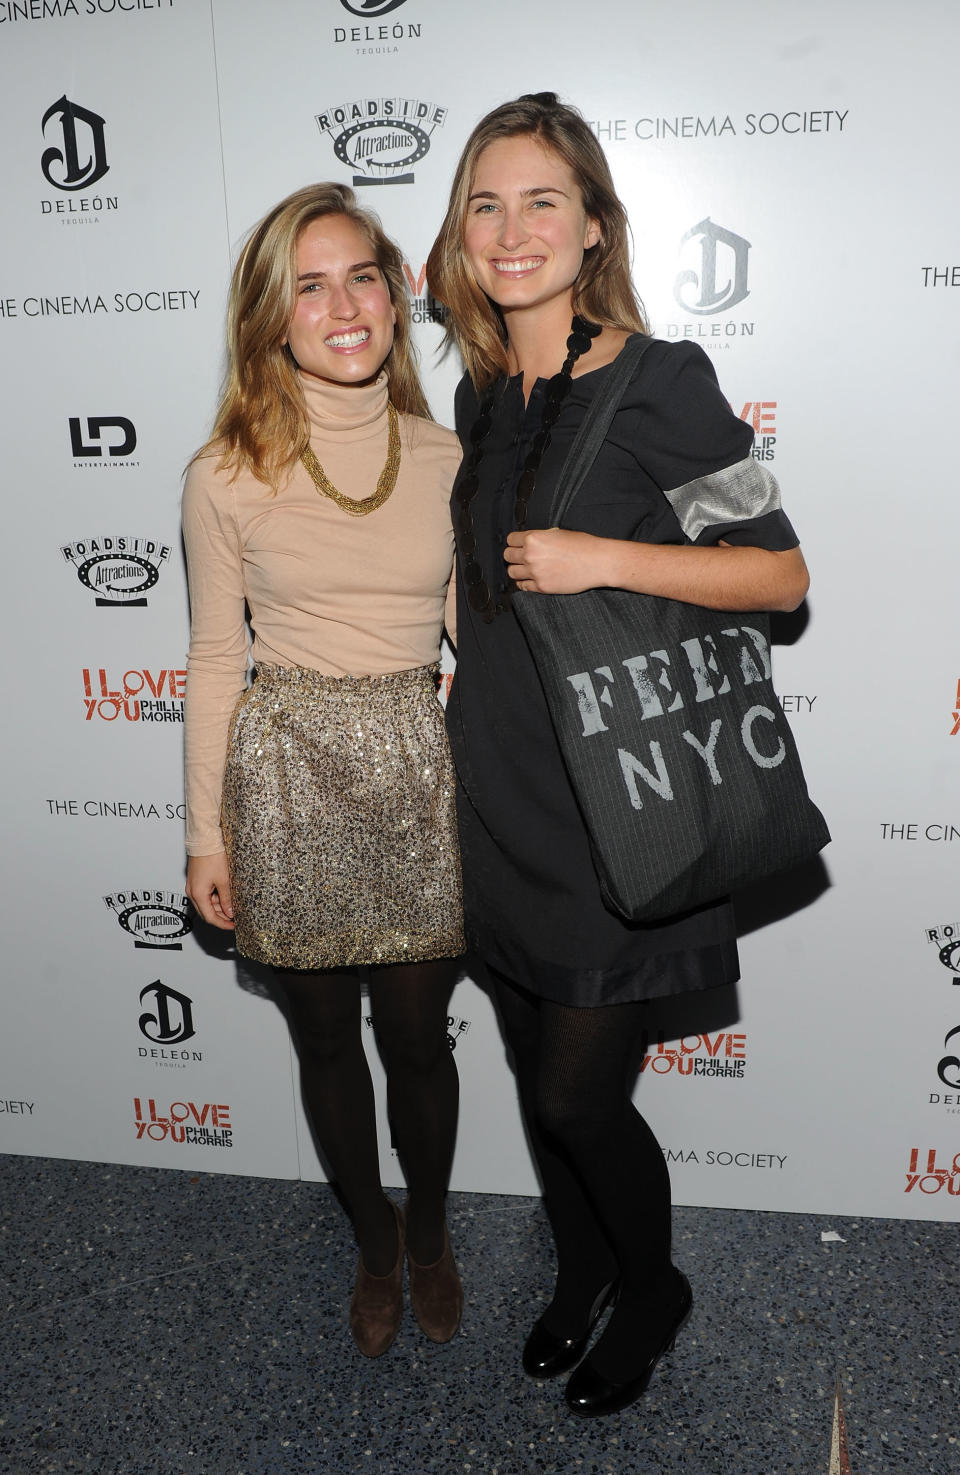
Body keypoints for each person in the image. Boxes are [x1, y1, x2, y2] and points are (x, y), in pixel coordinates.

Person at [426, 94, 809, 1417]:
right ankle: (583, 1263)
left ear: (593, 228)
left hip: (619, 807)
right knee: (540, 1078)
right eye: (487, 201)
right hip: (500, 794)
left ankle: (649, 1284)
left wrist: (605, 557)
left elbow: (777, 570)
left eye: (543, 200)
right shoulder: (486, 393)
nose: (513, 227)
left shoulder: (664, 381)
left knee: (585, 1096)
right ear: (462, 237)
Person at [182, 183, 464, 1359]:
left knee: (415, 1037)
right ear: (271, 317)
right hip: (286, 774)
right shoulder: (224, 471)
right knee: (325, 1043)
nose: (341, 304)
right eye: (309, 283)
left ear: (398, 296)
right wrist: (208, 834)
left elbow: (480, 641)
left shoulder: (451, 454)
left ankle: (435, 1231)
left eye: (361, 275)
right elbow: (210, 656)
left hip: (415, 769)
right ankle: (371, 1238)